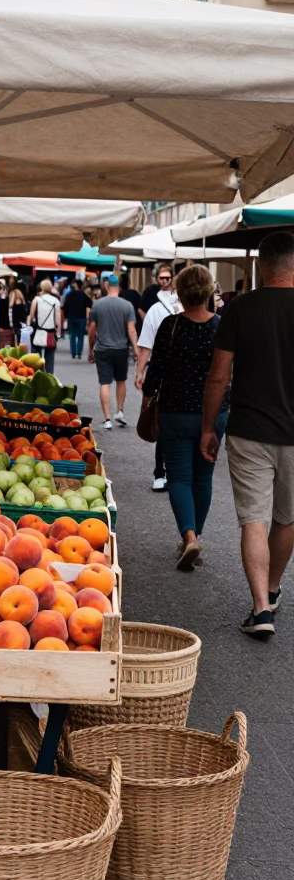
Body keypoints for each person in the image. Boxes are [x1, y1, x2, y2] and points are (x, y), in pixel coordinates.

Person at [201, 231, 294, 639]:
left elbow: (219, 375)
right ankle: (272, 589)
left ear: (260, 265)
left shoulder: (240, 309)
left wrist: (208, 427)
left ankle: (260, 610)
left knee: (254, 519)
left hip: (249, 429)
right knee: (287, 518)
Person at [141, 265, 227, 571]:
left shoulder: (171, 326)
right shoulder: (221, 326)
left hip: (175, 412)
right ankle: (195, 536)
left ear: (179, 291)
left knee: (178, 477)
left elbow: (156, 371)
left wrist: (146, 401)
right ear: (208, 292)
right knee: (203, 477)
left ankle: (188, 535)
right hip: (213, 414)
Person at [135, 276, 182, 491]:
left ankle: (161, 472)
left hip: (167, 382)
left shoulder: (157, 312)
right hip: (190, 388)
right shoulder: (211, 320)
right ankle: (168, 472)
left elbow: (148, 349)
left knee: (164, 425)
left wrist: (141, 375)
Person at [88, 273, 138, 429]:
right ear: (119, 286)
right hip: (122, 349)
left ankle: (108, 419)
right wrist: (136, 349)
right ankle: (120, 412)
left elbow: (91, 329)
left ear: (106, 285)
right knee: (121, 380)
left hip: (102, 349)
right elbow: (131, 329)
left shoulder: (97, 305)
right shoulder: (127, 305)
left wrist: (91, 349)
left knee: (105, 382)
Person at [29, 279, 61, 373]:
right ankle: (49, 378)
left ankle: (37, 376)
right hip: (50, 333)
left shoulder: (36, 300)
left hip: (38, 331)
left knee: (36, 358)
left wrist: (29, 325)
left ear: (41, 288)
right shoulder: (56, 301)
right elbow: (58, 320)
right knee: (50, 358)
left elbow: (31, 317)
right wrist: (58, 332)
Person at [63, 280, 92, 360]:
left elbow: (64, 307)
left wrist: (66, 316)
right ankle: (78, 353)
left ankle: (73, 353)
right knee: (80, 336)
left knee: (72, 335)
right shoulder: (84, 295)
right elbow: (90, 304)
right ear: (81, 286)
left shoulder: (69, 295)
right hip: (81, 318)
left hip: (71, 317)